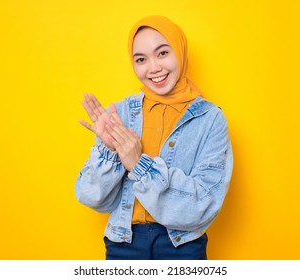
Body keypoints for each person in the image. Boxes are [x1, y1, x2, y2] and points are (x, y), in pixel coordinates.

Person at [75, 15, 233, 260]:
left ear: (179, 51)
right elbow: (93, 198)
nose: (154, 68)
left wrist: (138, 165)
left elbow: (204, 204)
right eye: (141, 59)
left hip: (182, 245)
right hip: (123, 244)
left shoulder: (210, 119)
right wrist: (110, 155)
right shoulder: (120, 114)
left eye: (162, 53)